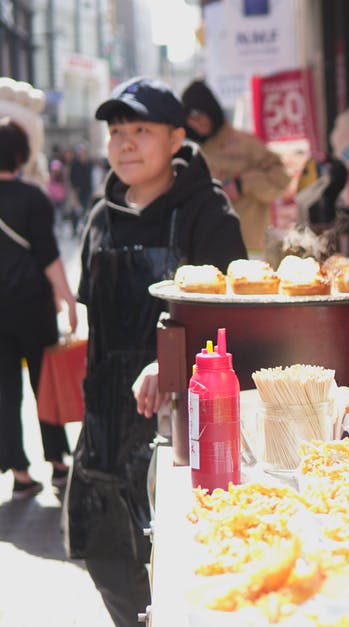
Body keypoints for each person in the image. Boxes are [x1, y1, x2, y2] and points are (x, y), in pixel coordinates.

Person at [65, 77, 246, 626]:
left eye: (140, 130)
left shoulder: (207, 214)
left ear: (175, 138)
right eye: (116, 131)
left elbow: (230, 321)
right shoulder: (101, 217)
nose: (124, 143)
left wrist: (168, 364)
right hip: (106, 422)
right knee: (108, 557)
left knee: (182, 565)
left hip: (181, 424)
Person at [0, 119, 76, 499]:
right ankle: (59, 465)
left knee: (5, 389)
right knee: (46, 384)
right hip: (33, 306)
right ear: (20, 154)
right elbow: (47, 255)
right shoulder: (33, 198)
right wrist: (69, 297)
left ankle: (19, 472)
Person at [180, 79, 289, 256]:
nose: (196, 123)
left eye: (199, 114)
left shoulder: (246, 144)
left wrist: (243, 184)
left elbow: (281, 179)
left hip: (250, 246)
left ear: (210, 109)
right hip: (209, 247)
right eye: (190, 118)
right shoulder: (191, 153)